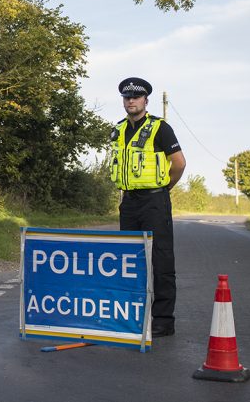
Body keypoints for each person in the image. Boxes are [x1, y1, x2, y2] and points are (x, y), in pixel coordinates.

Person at [110, 77, 186, 337]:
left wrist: (165, 188)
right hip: (129, 202)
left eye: (136, 96)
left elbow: (179, 163)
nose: (131, 100)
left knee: (161, 259)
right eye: (126, 97)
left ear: (145, 100)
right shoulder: (118, 130)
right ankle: (133, 315)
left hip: (155, 200)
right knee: (130, 260)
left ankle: (163, 319)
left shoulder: (160, 128)